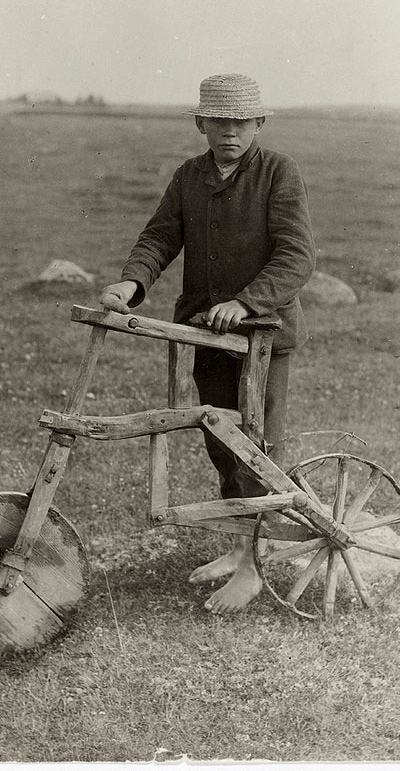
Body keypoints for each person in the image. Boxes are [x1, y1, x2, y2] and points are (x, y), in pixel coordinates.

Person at [100, 72, 316, 613]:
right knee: (220, 443)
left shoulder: (278, 173)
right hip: (207, 333)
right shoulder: (188, 178)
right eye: (220, 121)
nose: (230, 132)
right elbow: (160, 236)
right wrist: (133, 282)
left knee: (256, 447)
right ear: (201, 123)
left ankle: (251, 567)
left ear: (259, 124)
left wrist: (246, 303)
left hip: (262, 337)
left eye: (242, 122)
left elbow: (296, 255)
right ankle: (240, 547)